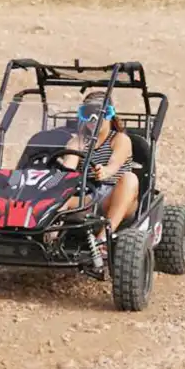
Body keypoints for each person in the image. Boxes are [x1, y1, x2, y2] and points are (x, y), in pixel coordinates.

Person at [58, 91, 139, 262]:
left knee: (130, 178)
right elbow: (68, 169)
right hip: (88, 195)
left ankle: (102, 240)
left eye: (99, 113)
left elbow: (115, 164)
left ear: (109, 115)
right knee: (59, 191)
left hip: (115, 196)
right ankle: (50, 237)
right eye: (88, 113)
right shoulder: (78, 141)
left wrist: (106, 171)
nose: (93, 119)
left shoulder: (120, 139)